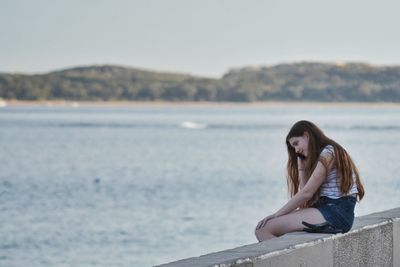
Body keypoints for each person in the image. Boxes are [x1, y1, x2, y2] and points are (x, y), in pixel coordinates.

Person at [254, 120, 365, 242]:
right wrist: (302, 169)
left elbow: (307, 193)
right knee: (262, 229)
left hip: (336, 212)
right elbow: (308, 196)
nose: (296, 150)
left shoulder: (328, 152)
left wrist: (276, 215)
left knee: (264, 229)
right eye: (293, 147)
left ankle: (290, 261)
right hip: (329, 209)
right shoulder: (324, 153)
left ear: (307, 136)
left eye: (296, 143)